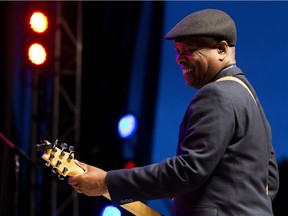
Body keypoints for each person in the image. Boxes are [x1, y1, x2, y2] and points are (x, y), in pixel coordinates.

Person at [68, 8, 279, 215]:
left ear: (222, 50)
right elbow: (270, 180)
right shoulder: (249, 97)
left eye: (190, 50)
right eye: (178, 51)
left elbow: (188, 170)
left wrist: (106, 182)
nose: (179, 58)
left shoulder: (217, 94)